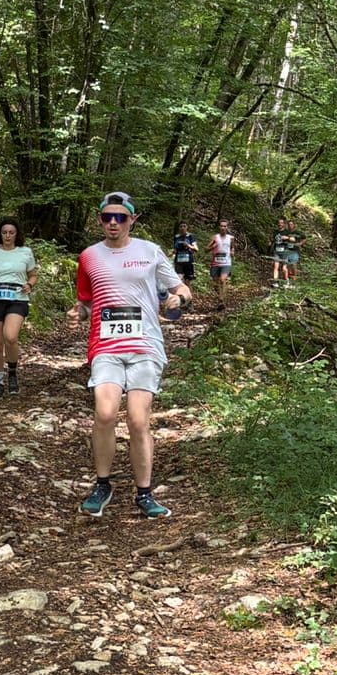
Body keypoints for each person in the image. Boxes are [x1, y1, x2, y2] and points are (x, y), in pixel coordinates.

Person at [75, 191, 191, 519]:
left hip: (145, 345)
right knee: (105, 413)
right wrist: (78, 314)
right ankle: (102, 484)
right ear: (99, 220)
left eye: (120, 217)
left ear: (132, 220)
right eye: (107, 217)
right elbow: (86, 302)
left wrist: (177, 300)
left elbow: (181, 288)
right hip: (105, 345)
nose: (113, 223)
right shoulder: (88, 256)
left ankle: (144, 492)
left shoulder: (150, 251)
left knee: (138, 419)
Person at [0, 216, 37, 398]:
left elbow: (33, 275)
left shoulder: (25, 252)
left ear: (16, 234)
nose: (8, 236)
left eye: (11, 232)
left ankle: (12, 372)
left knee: (10, 336)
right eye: (4, 233)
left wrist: (30, 284)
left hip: (17, 298)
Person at [209, 218, 234, 289]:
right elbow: (206, 249)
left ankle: (221, 299)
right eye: (221, 226)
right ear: (219, 227)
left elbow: (232, 247)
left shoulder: (231, 238)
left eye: (225, 226)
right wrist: (212, 247)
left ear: (227, 227)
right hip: (215, 263)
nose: (223, 228)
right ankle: (219, 293)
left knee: (222, 280)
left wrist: (232, 251)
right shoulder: (215, 237)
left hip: (226, 263)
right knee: (216, 282)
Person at [172, 222, 198, 287]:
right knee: (179, 278)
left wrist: (188, 245)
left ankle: (188, 295)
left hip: (188, 261)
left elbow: (196, 249)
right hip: (178, 261)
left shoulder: (190, 236)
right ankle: (181, 295)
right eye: (181, 226)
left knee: (187, 281)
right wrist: (171, 253)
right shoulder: (176, 237)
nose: (182, 228)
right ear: (178, 228)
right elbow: (175, 249)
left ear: (187, 227)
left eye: (184, 226)